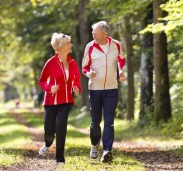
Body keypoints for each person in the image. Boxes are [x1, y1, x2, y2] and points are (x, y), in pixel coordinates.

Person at [82, 21, 126, 163]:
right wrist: (89, 73)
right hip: (94, 89)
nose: (93, 35)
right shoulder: (90, 46)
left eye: (96, 33)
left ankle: (107, 151)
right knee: (95, 122)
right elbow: (84, 67)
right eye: (93, 33)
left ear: (105, 34)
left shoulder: (116, 45)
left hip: (111, 89)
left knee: (109, 121)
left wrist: (122, 72)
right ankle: (95, 145)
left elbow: (122, 60)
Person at [38, 33, 81, 164]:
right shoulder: (50, 63)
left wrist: (76, 88)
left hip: (66, 101)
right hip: (51, 101)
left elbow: (76, 80)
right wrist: (50, 88)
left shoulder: (72, 63)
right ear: (61, 46)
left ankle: (60, 158)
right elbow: (42, 81)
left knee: (61, 127)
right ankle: (47, 144)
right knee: (49, 132)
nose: (71, 45)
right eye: (69, 43)